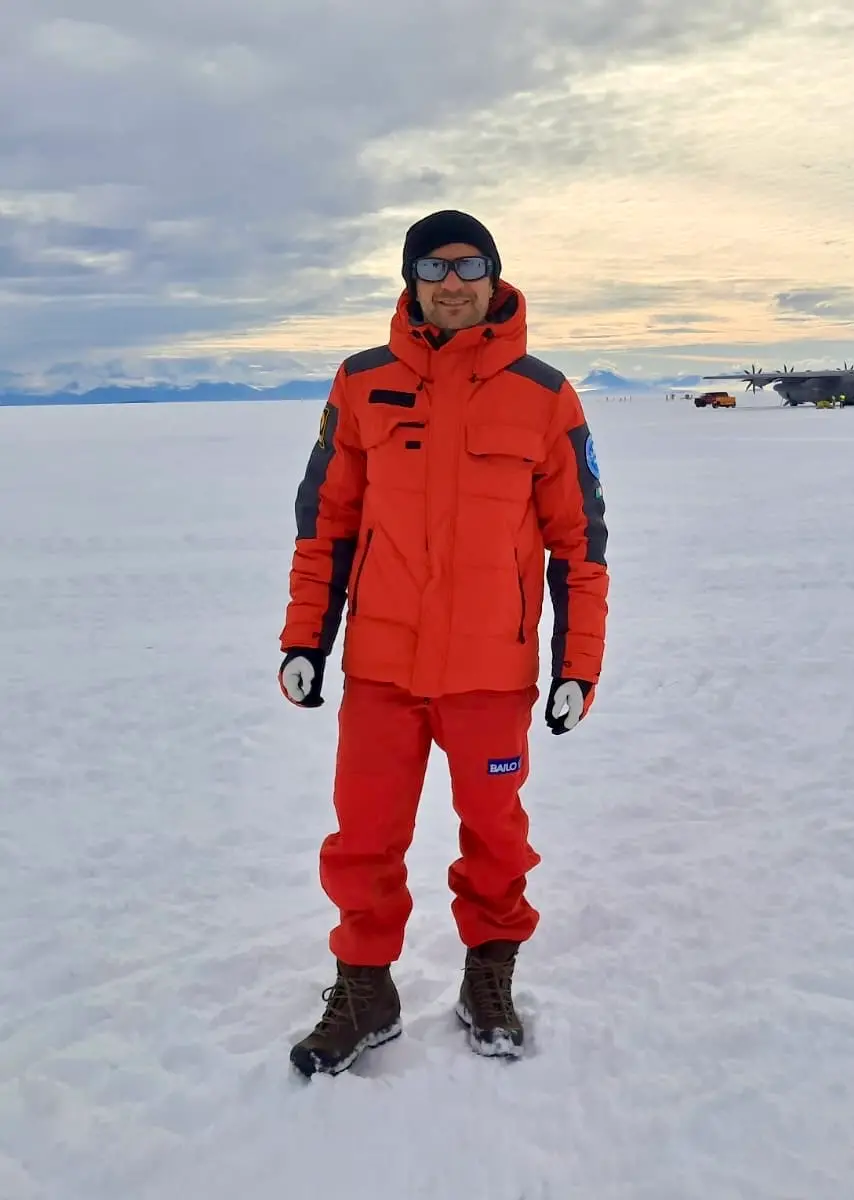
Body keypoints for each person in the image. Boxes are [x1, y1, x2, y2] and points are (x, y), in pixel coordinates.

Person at [277, 209, 609, 1077]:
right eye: (434, 266)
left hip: (489, 675)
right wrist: (306, 637)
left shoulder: (546, 395)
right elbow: (327, 525)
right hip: (382, 670)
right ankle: (365, 990)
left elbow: (581, 546)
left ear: (495, 278)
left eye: (470, 265)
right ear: (411, 281)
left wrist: (578, 667)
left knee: (497, 836)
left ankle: (487, 975)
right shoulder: (360, 383)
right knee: (363, 839)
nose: (453, 282)